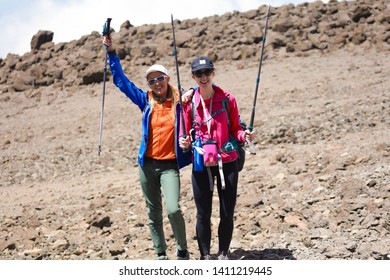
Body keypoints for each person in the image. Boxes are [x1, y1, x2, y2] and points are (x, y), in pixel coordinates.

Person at [102, 35, 191, 260]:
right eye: (151, 81)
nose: (156, 83)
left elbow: (203, 90)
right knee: (153, 212)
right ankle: (160, 254)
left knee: (173, 209)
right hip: (147, 166)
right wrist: (112, 53)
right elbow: (121, 81)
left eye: (159, 78)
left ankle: (182, 250)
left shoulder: (180, 101)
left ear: (167, 78)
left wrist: (190, 92)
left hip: (170, 166)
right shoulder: (146, 101)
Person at [179, 56, 255, 260]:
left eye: (207, 72)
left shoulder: (227, 99)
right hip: (201, 163)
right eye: (199, 74)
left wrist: (244, 136)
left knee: (227, 211)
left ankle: (223, 253)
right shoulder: (189, 103)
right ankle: (205, 256)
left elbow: (236, 130)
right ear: (193, 77)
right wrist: (184, 142)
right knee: (203, 213)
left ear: (213, 73)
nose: (203, 77)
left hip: (227, 160)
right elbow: (184, 134)